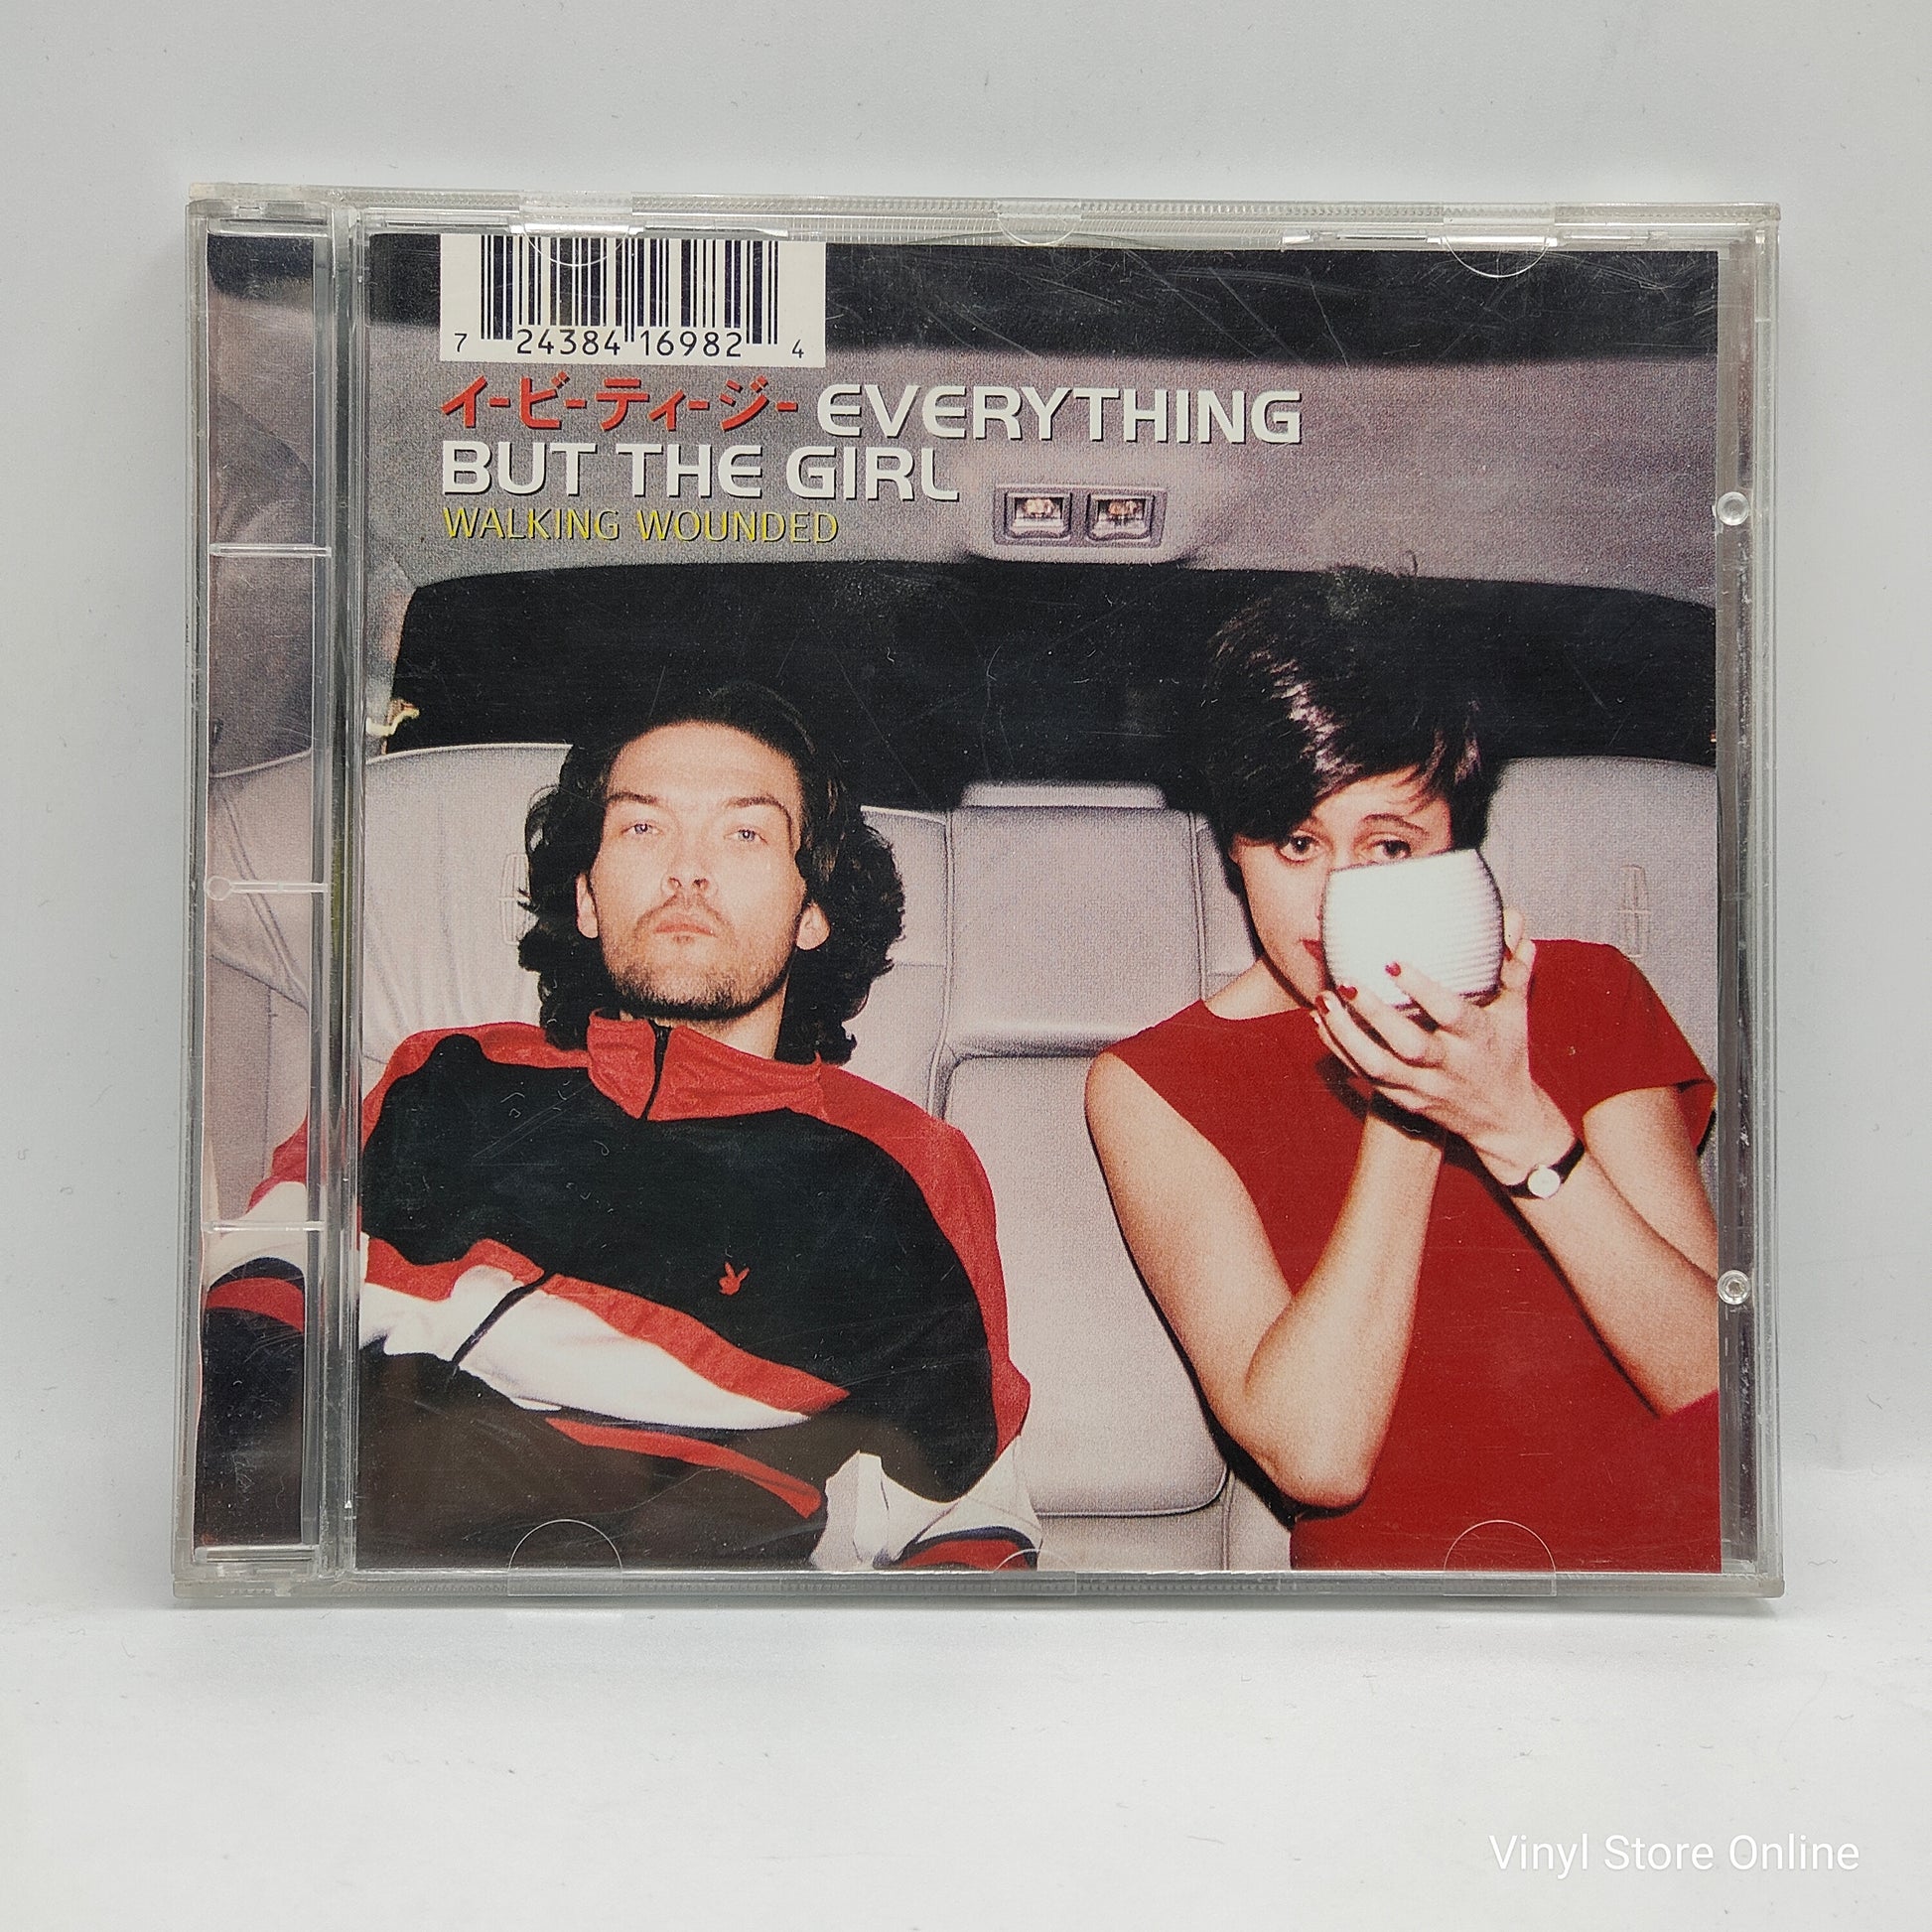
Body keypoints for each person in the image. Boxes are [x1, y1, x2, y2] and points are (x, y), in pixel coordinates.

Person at [197, 684, 1036, 1571]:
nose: (687, 871)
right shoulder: (440, 1077)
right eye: (643, 827)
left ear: (812, 912)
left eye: (745, 834)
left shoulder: (900, 1172)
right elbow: (256, 1294)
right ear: (588, 897)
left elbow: (968, 1521)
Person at [1085, 585, 1721, 1572]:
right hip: (1415, 1604)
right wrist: (1410, 1108)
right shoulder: (1154, 1083)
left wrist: (1516, 1126)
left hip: (1668, 1570)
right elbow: (1316, 1458)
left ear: (1454, 845)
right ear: (1235, 848)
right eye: (1297, 843)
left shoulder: (1587, 992)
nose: (1337, 895)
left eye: (1388, 847)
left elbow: (1719, 1389)